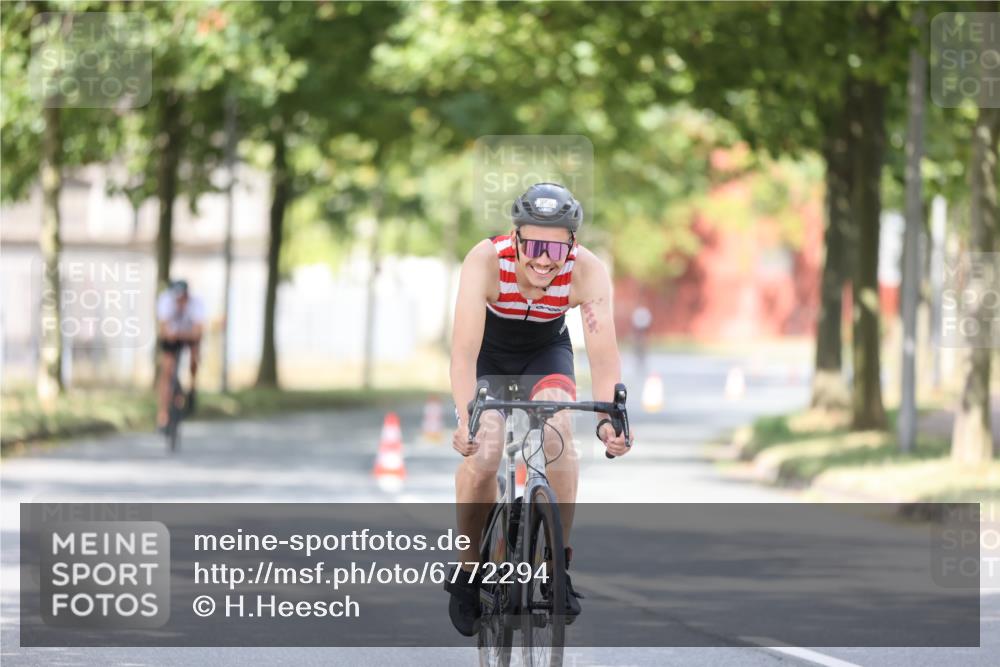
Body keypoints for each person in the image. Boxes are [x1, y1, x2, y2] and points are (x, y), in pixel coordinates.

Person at [445, 182, 633, 636]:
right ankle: (470, 568)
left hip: (546, 351)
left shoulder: (587, 271)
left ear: (571, 243)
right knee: (486, 451)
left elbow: (603, 354)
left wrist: (608, 419)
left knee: (559, 433)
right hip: (490, 356)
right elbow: (464, 351)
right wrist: (463, 414)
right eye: (532, 244)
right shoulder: (485, 261)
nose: (543, 258)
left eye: (555, 246)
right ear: (515, 238)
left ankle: (557, 566)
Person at [156, 280, 205, 431]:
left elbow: (197, 331)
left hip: (188, 336)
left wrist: (184, 334)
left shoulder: (196, 304)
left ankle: (192, 386)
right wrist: (172, 333)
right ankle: (163, 414)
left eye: (183, 298)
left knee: (195, 356)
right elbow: (164, 329)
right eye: (177, 298)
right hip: (173, 338)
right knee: (167, 370)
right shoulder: (165, 301)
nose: (180, 301)